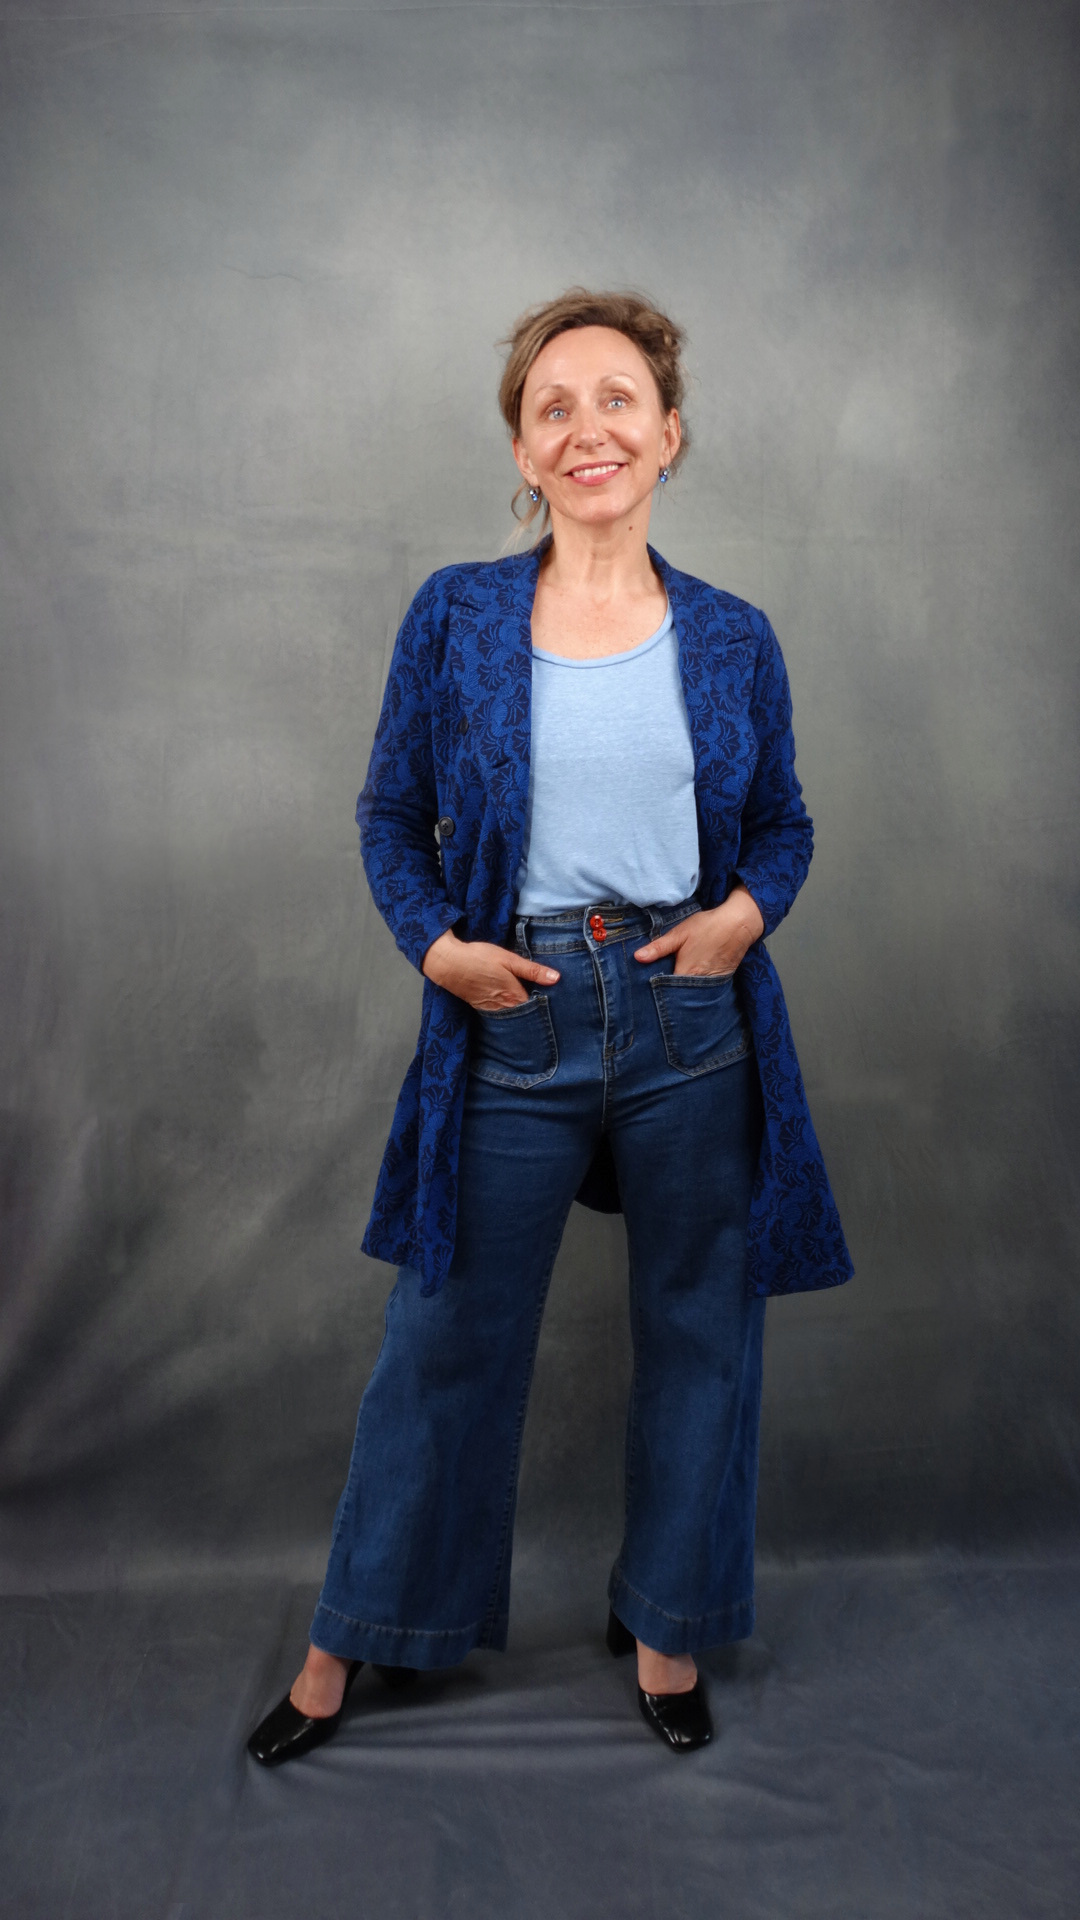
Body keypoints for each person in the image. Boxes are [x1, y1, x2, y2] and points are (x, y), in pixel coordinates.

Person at [247, 288, 852, 1766]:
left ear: (670, 434)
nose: (591, 429)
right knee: (442, 1336)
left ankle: (668, 1629)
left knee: (701, 1328)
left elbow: (782, 824)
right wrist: (438, 949)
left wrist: (743, 918)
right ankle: (352, 1640)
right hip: (509, 1013)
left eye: (619, 399)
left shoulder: (733, 636)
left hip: (687, 1015)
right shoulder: (456, 616)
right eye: (554, 407)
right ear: (523, 452)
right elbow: (389, 813)